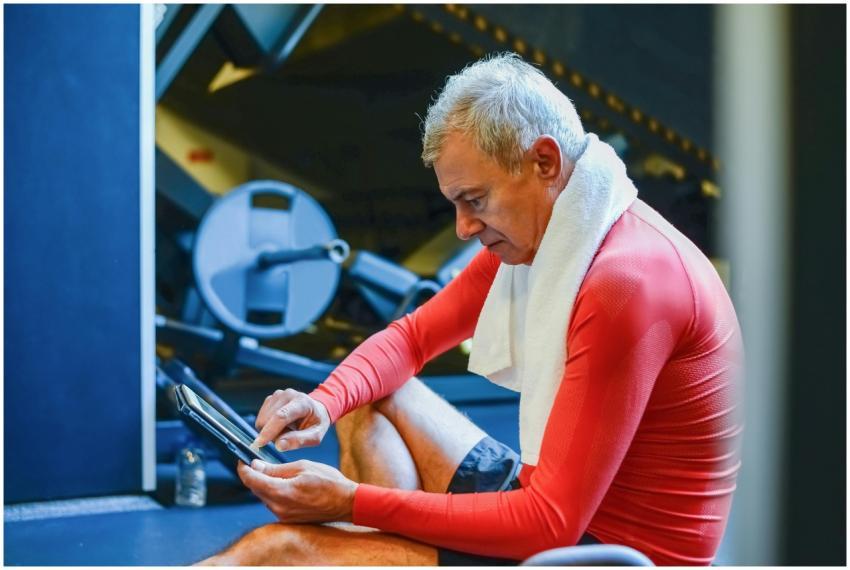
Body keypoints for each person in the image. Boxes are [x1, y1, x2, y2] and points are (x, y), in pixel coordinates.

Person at [199, 52, 743, 566]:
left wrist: (348, 502)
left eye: (474, 201)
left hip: (601, 555)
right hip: (564, 515)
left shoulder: (623, 283)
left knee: (277, 551)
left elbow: (548, 522)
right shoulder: (562, 229)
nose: (463, 227)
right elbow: (411, 339)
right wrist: (324, 403)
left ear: (544, 162)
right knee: (370, 398)